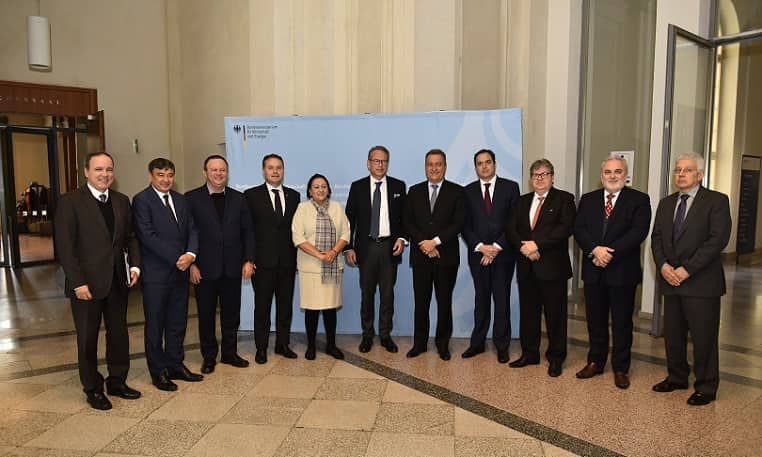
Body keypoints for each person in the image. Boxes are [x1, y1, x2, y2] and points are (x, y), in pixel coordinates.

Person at [55, 152, 141, 410]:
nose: (105, 174)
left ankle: (117, 381)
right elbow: (65, 248)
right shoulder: (69, 202)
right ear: (86, 172)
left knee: (119, 335)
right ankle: (92, 388)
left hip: (117, 281)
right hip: (86, 285)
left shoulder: (121, 201)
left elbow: (130, 238)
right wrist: (77, 282)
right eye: (99, 169)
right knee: (87, 338)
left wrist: (134, 265)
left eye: (109, 169)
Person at [651, 151, 731, 406]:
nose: (681, 174)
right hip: (670, 280)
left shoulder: (717, 201)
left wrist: (687, 269)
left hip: (701, 283)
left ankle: (706, 386)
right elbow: (656, 238)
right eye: (678, 170)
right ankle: (677, 377)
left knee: (703, 338)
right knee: (673, 335)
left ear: (700, 174)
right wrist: (663, 266)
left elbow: (717, 240)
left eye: (687, 170)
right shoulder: (666, 203)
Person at [573, 157, 651, 389]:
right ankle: (595, 361)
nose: (613, 176)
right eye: (608, 172)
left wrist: (608, 253)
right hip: (593, 269)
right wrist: (595, 250)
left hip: (622, 271)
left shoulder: (639, 200)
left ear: (626, 175)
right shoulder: (588, 200)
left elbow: (638, 233)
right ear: (601, 175)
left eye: (618, 171)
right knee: (595, 320)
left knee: (622, 323)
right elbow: (579, 229)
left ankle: (621, 368)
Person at [133, 157, 202, 391]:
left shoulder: (181, 200)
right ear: (150, 176)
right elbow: (147, 236)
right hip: (156, 275)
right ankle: (158, 371)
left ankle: (175, 365)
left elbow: (192, 229)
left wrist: (191, 254)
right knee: (156, 325)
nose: (166, 180)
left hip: (180, 273)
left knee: (177, 322)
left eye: (170, 175)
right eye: (160, 175)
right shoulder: (142, 200)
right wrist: (178, 258)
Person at [186, 154, 256, 374]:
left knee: (231, 315)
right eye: (214, 169)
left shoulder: (239, 198)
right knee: (206, 315)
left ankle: (229, 353)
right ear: (205, 172)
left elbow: (248, 231)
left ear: (227, 173)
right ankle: (209, 357)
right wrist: (191, 264)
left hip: (233, 268)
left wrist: (249, 260)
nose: (218, 173)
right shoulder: (191, 198)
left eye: (222, 170)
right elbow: (186, 234)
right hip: (203, 269)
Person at [507, 158, 575, 377]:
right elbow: (511, 228)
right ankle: (529, 354)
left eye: (544, 174)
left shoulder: (564, 199)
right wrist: (523, 248)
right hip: (526, 266)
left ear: (552, 177)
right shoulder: (521, 201)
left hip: (553, 268)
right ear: (530, 179)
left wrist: (537, 245)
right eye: (535, 175)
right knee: (529, 314)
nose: (539, 178)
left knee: (555, 317)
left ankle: (556, 358)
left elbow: (565, 228)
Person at [403, 149, 465, 361]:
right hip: (421, 256)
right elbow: (408, 221)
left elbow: (458, 223)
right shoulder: (414, 191)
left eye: (438, 164)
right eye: (430, 164)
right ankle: (419, 344)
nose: (434, 168)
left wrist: (435, 242)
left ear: (445, 167)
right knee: (421, 302)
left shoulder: (457, 192)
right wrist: (425, 243)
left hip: (446, 258)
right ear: (425, 167)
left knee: (444, 302)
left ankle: (442, 344)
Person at [345, 145, 407, 354]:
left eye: (384, 161)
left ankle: (385, 335)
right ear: (368, 163)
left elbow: (405, 218)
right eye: (376, 161)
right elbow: (349, 220)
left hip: (389, 248)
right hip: (366, 248)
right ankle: (367, 334)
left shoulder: (399, 186)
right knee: (367, 294)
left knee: (387, 295)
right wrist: (348, 247)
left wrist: (402, 238)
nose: (380, 165)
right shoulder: (358, 187)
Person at [461, 149, 520, 363]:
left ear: (494, 164)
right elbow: (464, 225)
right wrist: (481, 247)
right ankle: (477, 343)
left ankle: (501, 345)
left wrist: (495, 247)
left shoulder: (510, 188)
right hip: (478, 256)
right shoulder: (467, 191)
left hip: (503, 255)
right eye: (480, 163)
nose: (484, 166)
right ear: (475, 167)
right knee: (481, 300)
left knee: (502, 300)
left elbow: (514, 222)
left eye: (487, 162)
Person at [244, 154, 301, 364]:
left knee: (285, 307)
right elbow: (248, 230)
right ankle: (261, 348)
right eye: (270, 167)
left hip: (287, 263)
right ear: (263, 171)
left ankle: (282, 345)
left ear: (283, 170)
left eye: (279, 167)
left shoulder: (294, 196)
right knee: (262, 308)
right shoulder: (251, 195)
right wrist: (248, 259)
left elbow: (297, 231)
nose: (275, 171)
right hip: (262, 263)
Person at [292, 173, 350, 360]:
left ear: (329, 189)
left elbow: (346, 233)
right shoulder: (302, 208)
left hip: (332, 264)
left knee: (330, 308)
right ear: (310, 191)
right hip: (311, 267)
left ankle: (331, 345)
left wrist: (333, 252)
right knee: (312, 309)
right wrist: (320, 255)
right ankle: (311, 346)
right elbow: (297, 237)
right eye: (316, 187)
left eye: (323, 186)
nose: (320, 190)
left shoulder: (337, 207)